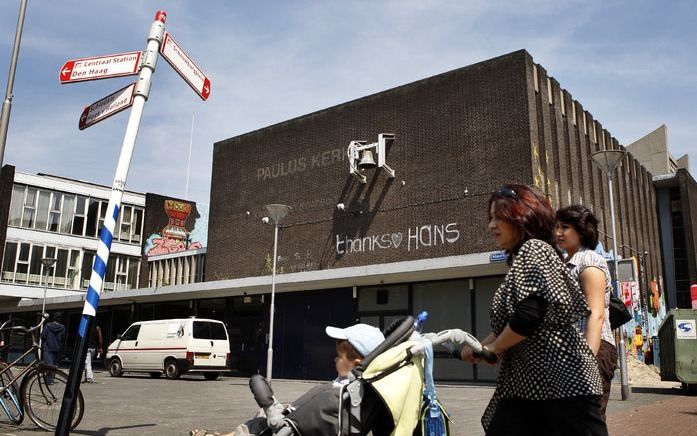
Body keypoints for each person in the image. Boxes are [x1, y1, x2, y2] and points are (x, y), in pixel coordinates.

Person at [460, 184, 607, 436]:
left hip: (561, 382)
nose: (491, 226)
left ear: (522, 216)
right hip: (529, 384)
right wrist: (480, 347)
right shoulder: (523, 260)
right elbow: (512, 322)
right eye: (490, 218)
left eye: (499, 217)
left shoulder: (535, 250)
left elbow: (529, 316)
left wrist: (493, 348)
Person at [190, 323, 385, 436]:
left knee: (261, 418)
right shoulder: (356, 390)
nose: (335, 359)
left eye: (339, 356)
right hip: (300, 419)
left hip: (292, 426)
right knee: (260, 418)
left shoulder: (339, 394)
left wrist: (271, 406)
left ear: (356, 361)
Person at [556, 204, 618, 421]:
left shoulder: (589, 261)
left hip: (594, 348)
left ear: (582, 230)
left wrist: (586, 360)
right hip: (575, 351)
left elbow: (596, 314)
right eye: (557, 227)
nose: (558, 232)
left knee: (587, 421)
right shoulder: (566, 264)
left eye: (565, 227)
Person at [41, 312, 65, 384]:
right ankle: (51, 379)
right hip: (57, 348)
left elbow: (43, 336)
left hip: (47, 348)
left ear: (54, 317)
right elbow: (63, 338)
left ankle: (48, 380)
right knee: (54, 365)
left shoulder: (47, 326)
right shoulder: (62, 327)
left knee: (48, 365)